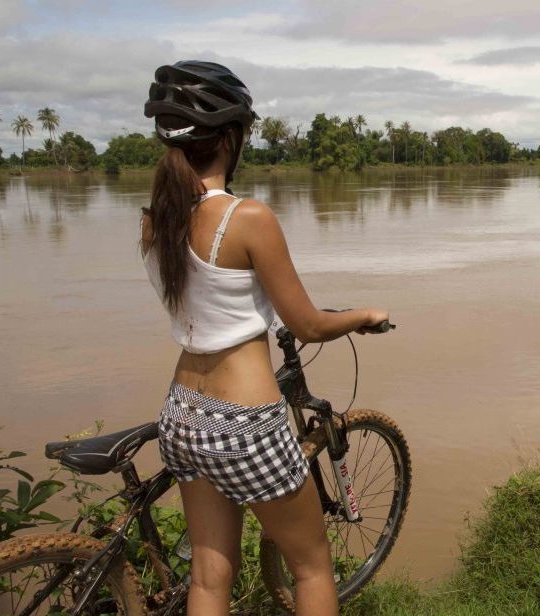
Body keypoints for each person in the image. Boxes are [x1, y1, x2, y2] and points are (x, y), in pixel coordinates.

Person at [139, 60, 389, 616]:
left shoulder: (157, 220)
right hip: (244, 419)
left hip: (182, 412)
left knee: (208, 576)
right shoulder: (246, 217)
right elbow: (307, 325)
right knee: (312, 566)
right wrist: (362, 314)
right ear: (231, 138)